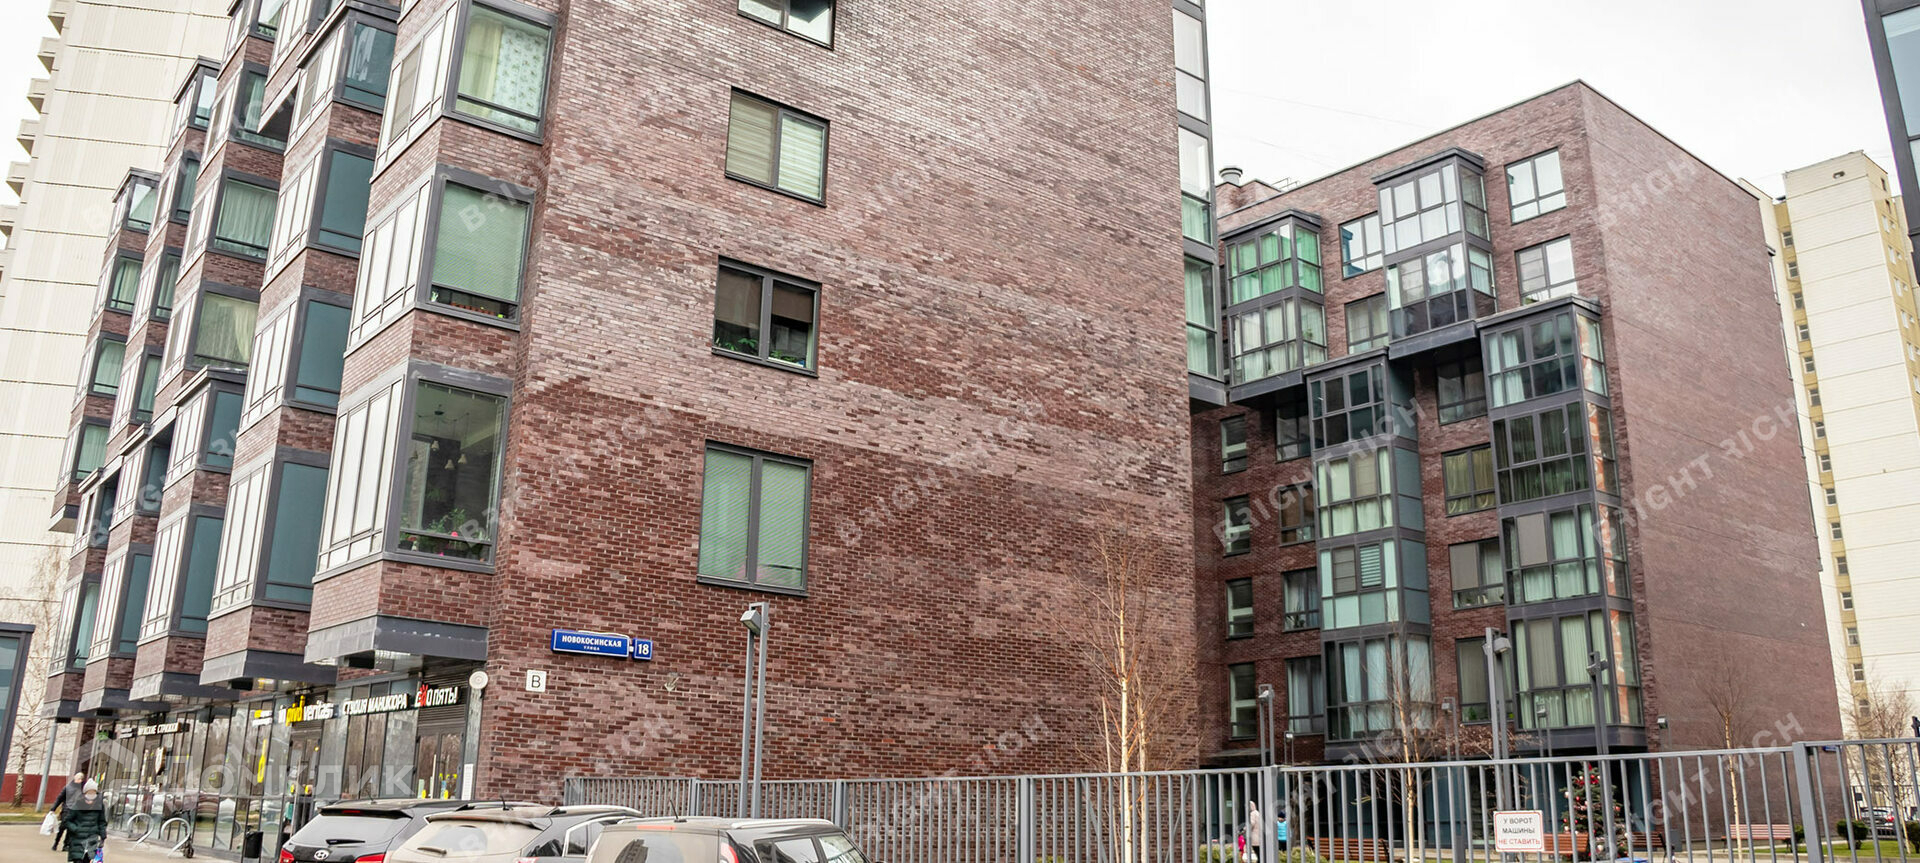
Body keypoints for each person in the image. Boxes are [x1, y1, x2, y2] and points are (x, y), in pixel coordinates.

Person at [60, 779, 107, 863]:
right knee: (78, 860)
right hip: (78, 840)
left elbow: (102, 821)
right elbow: (67, 821)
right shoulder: (77, 804)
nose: (91, 795)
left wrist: (103, 835)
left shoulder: (99, 806)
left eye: (93, 792)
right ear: (85, 793)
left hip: (92, 840)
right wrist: (75, 829)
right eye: (89, 792)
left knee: (89, 859)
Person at [48, 772, 86, 851]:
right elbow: (60, 798)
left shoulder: (82, 789)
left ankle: (66, 845)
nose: (78, 780)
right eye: (77, 779)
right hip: (67, 811)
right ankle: (56, 843)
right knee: (62, 828)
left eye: (79, 779)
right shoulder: (68, 787)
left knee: (70, 830)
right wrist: (53, 808)